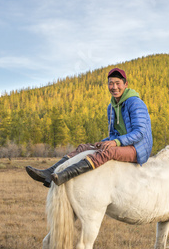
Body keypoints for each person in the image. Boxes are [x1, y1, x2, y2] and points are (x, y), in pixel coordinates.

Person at [25, 68, 153, 187]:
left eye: (118, 83)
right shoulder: (111, 107)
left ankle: (64, 176)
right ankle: (49, 173)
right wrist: (104, 142)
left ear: (125, 84)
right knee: (84, 147)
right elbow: (114, 133)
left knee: (107, 152)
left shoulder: (135, 103)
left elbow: (140, 132)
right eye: (111, 83)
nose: (114, 87)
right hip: (121, 144)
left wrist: (115, 142)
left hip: (138, 147)